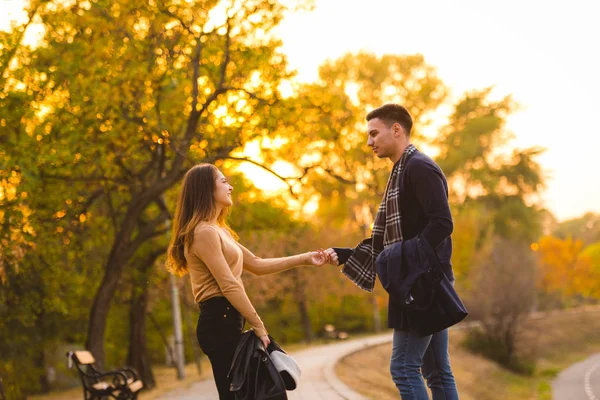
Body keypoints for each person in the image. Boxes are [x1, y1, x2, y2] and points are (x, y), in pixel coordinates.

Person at [324, 104, 459, 399]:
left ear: (396, 129)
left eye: (374, 133)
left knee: (403, 368)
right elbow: (387, 243)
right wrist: (345, 255)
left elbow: (442, 222)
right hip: (421, 280)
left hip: (421, 285)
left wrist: (407, 261)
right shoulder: (400, 172)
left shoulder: (419, 168)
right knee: (436, 371)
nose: (369, 142)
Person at [166, 163, 328, 400]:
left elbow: (257, 264)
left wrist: (305, 258)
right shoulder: (203, 233)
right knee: (244, 395)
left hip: (228, 320)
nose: (230, 187)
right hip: (218, 321)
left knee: (252, 393)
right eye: (223, 182)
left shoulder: (218, 230)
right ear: (206, 190)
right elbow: (229, 284)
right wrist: (258, 325)